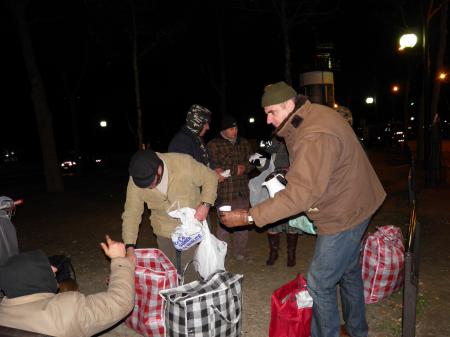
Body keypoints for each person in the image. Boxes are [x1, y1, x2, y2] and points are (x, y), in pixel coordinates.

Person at [219, 81, 386, 337]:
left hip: (344, 212)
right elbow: (318, 166)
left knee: (319, 283)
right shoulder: (308, 118)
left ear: (288, 105)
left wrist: (249, 215)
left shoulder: (312, 133)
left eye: (272, 111)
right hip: (357, 201)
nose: (268, 119)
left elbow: (301, 195)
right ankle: (356, 330)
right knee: (349, 271)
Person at [0, 235, 135, 337]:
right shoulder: (65, 311)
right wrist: (119, 260)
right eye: (45, 267)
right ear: (30, 279)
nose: (55, 269)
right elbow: (120, 301)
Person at [122, 148, 218, 272]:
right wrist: (129, 247)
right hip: (163, 227)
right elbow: (131, 213)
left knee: (190, 267)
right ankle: (173, 290)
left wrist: (205, 204)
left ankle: (191, 289)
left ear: (159, 169)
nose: (148, 187)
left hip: (191, 224)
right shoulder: (137, 178)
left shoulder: (183, 163)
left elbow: (210, 177)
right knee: (169, 270)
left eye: (151, 183)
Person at [207, 114, 253, 260]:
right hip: (224, 192)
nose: (235, 131)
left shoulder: (244, 143)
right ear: (223, 130)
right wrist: (235, 170)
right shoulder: (214, 144)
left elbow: (252, 162)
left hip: (242, 190)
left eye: (236, 127)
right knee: (223, 226)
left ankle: (241, 252)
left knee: (243, 223)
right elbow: (213, 166)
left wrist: (245, 167)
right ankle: (221, 254)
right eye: (231, 128)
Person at [259, 137, 303, 267]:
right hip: (275, 186)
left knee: (292, 221)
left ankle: (291, 254)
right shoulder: (275, 142)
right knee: (273, 221)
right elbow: (264, 158)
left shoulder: (298, 140)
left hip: (293, 186)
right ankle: (274, 253)